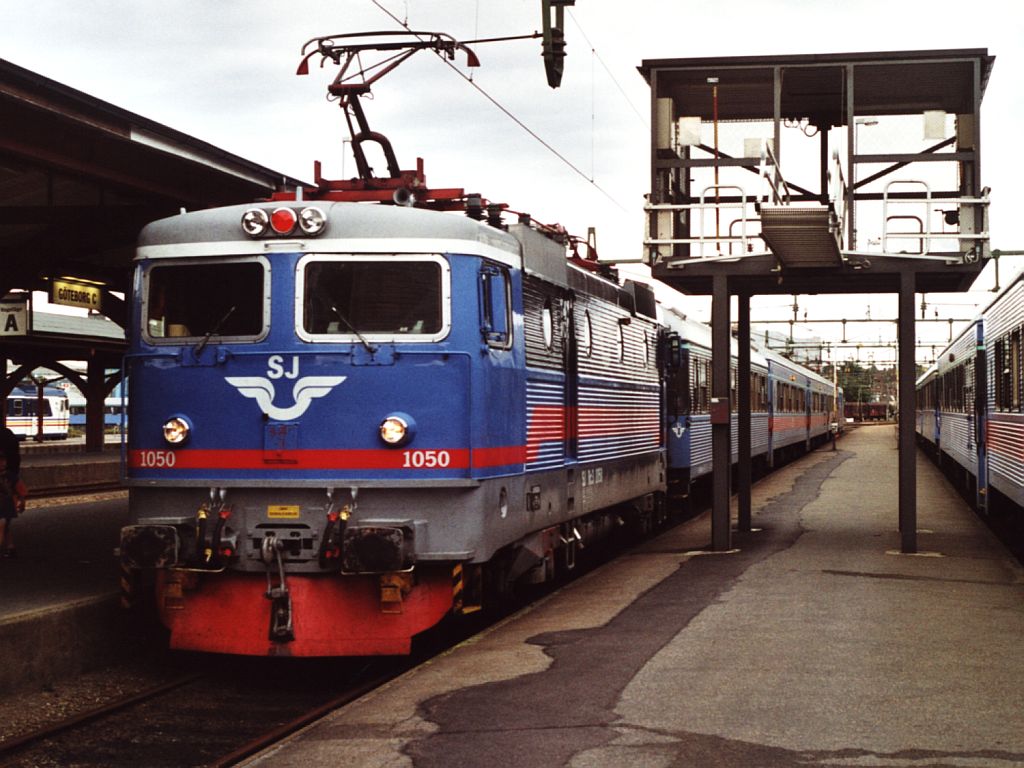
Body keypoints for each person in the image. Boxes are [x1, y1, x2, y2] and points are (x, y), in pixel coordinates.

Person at [1, 424, 25, 557]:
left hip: (4, 496)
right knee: (5, 522)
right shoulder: (9, 435)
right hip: (10, 491)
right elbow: (16, 458)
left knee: (2, 524)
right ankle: (10, 546)